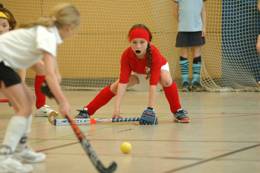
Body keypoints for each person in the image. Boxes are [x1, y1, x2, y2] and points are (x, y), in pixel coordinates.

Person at [0, 3, 80, 172]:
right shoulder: (48, 35)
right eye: (74, 29)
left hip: (5, 63)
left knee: (28, 102)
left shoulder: (47, 33)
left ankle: (21, 149)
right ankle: (4, 157)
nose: (73, 33)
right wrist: (63, 102)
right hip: (2, 63)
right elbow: (49, 74)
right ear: (68, 27)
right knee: (23, 107)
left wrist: (54, 79)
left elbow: (42, 67)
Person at [76, 24, 190, 125]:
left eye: (142, 42)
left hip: (156, 76)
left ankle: (177, 110)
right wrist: (117, 109)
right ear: (130, 42)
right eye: (134, 42)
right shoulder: (126, 55)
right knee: (115, 86)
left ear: (148, 42)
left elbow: (153, 83)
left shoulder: (155, 54)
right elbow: (123, 81)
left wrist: (150, 109)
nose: (138, 46)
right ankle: (87, 110)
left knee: (166, 79)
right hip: (138, 76)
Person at [174, 0, 206, 92]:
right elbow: (175, 11)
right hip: (183, 29)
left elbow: (203, 11)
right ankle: (185, 81)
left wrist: (204, 27)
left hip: (197, 29)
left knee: (197, 53)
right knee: (184, 53)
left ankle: (196, 81)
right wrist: (181, 22)